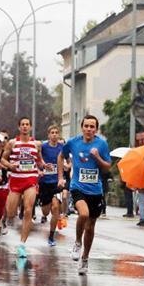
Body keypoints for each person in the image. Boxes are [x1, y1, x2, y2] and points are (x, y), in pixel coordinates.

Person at [58, 115, 111, 275]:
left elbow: (108, 167)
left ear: (96, 129)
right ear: (82, 127)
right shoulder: (73, 142)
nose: (89, 129)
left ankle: (85, 258)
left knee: (91, 226)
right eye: (86, 126)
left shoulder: (101, 144)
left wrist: (97, 157)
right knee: (83, 214)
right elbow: (61, 156)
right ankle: (77, 242)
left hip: (95, 190)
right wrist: (60, 177)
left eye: (92, 126)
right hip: (77, 187)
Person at [1, 117, 42, 258]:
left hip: (30, 180)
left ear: (30, 127)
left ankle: (22, 244)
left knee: (28, 210)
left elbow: (39, 160)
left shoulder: (36, 144)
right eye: (22, 125)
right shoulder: (12, 143)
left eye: (27, 125)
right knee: (11, 212)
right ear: (19, 127)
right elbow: (3, 159)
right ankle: (5, 220)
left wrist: (44, 166)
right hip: (16, 181)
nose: (25, 127)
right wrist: (10, 165)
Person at [38, 125, 64, 247]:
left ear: (58, 135)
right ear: (48, 135)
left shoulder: (62, 147)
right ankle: (43, 213)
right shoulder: (43, 147)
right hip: (44, 182)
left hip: (56, 182)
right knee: (46, 211)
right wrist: (43, 166)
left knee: (55, 208)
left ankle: (51, 236)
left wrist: (68, 166)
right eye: (52, 132)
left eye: (56, 132)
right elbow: (38, 159)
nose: (54, 134)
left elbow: (68, 161)